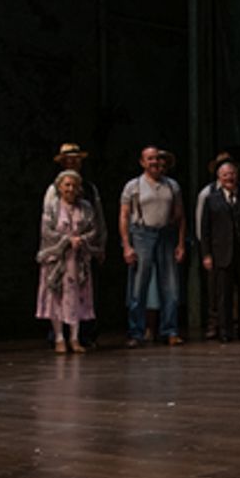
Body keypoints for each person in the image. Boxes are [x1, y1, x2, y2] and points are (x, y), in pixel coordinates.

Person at [119, 145, 186, 347]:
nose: (154, 162)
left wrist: (181, 243)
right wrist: (126, 245)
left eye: (156, 158)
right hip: (142, 234)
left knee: (170, 286)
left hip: (166, 234)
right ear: (142, 162)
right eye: (149, 159)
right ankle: (136, 332)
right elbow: (124, 216)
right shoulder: (133, 186)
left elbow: (180, 216)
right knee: (138, 286)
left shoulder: (172, 185)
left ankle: (170, 330)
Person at [43, 142, 106, 348]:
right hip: (61, 251)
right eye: (68, 160)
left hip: (82, 250)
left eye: (76, 160)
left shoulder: (88, 190)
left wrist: (98, 244)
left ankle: (81, 336)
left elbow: (97, 219)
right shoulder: (53, 190)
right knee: (58, 292)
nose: (72, 163)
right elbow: (47, 223)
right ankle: (58, 336)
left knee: (82, 292)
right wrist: (61, 243)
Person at [201, 159, 240, 341]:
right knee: (223, 294)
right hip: (222, 252)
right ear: (219, 178)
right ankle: (225, 331)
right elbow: (205, 230)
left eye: (232, 174)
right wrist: (206, 254)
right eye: (225, 175)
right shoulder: (211, 199)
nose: (229, 177)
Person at [195, 150, 233, 339]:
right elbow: (201, 224)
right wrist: (206, 251)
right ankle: (214, 323)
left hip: (234, 248)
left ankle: (232, 323)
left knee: (232, 289)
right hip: (215, 249)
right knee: (214, 289)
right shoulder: (207, 193)